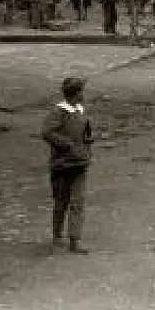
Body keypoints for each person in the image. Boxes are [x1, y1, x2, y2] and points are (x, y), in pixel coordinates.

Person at [40, 76, 94, 253]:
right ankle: (57, 235)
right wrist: (67, 144)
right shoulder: (59, 111)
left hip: (79, 162)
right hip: (62, 164)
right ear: (75, 93)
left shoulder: (80, 109)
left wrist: (87, 143)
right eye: (81, 91)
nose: (83, 94)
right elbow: (47, 132)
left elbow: (85, 131)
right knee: (61, 201)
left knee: (78, 201)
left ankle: (74, 239)